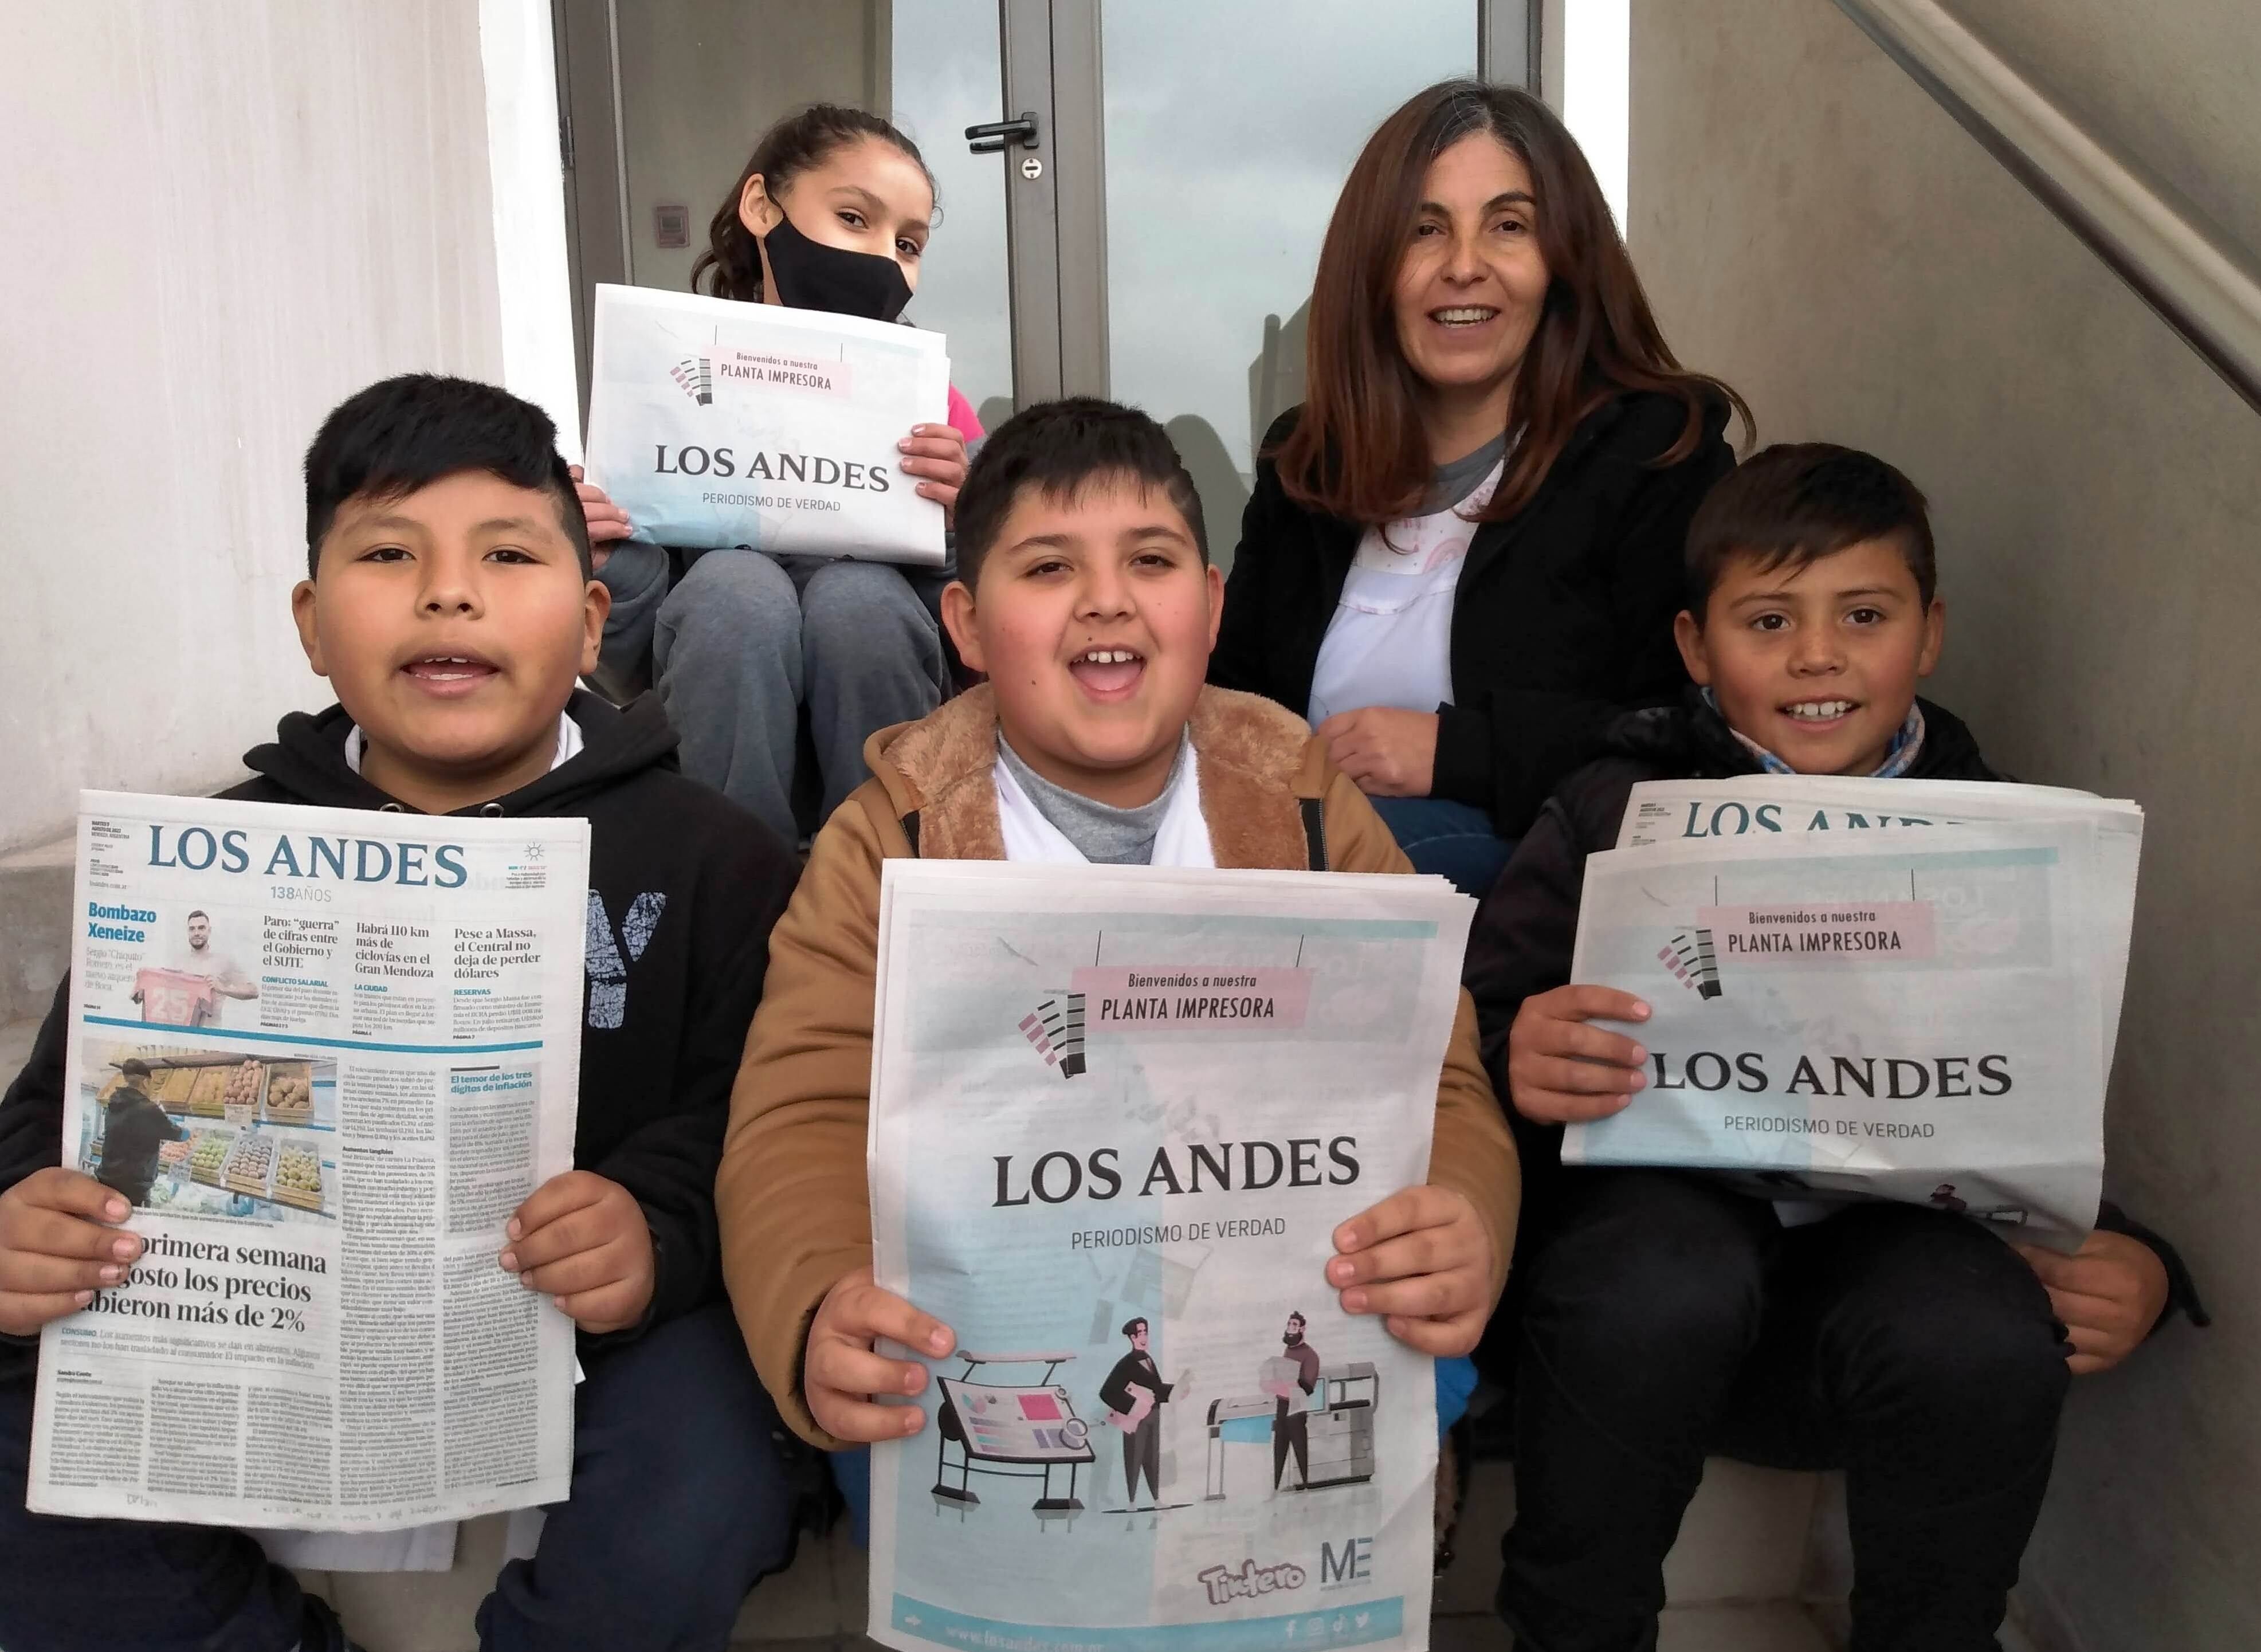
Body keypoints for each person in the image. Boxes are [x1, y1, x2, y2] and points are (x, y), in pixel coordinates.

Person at [0, 375, 804, 1652]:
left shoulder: (718, 857)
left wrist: (652, 1223)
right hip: (253, 1318)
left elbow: (759, 1123)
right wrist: (25, 1216)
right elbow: (56, 1111)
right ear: (313, 624)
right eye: (388, 553)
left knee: (708, 1458)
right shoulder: (203, 857)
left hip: (586, 1334)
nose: (450, 591)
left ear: (592, 618)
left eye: (507, 552)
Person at [1462, 444, 2206, 1652]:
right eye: (1769, 620)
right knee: (1656, 1278)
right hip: (1642, 1276)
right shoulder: (1613, 806)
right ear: (1697, 648)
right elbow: (1472, 1028)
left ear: (1928, 632)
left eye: (1863, 614)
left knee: (1974, 1327)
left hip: (1877, 1271)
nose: (1817, 656)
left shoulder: (2005, 836)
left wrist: (2136, 1251)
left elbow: (2025, 1087)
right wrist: (1516, 1051)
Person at [713, 399, 1519, 1488]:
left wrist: (1464, 1214)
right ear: (963, 623)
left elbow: (1436, 1077)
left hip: (1264, 1301)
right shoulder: (890, 835)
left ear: (1212, 602)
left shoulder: (1305, 800)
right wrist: (817, 1300)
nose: (1106, 599)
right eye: (1047, 568)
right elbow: (800, 1111)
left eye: (1150, 559)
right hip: (994, 1318)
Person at [1210, 80, 1746, 898]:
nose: (1463, 266)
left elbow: (1703, 724)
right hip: (1302, 871)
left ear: (1563, 259)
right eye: (1424, 230)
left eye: (1508, 226)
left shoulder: (1653, 451)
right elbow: (1234, 700)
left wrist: (1454, 752)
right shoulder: (1307, 463)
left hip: (1538, 888)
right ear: (1373, 267)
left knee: (1337, 853)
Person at [575, 104, 983, 843]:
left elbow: (976, 626)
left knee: (858, 598)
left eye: (909, 243)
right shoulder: (669, 377)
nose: (883, 258)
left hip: (888, 711)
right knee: (738, 591)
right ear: (762, 207)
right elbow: (621, 651)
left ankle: (877, 881)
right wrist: (602, 556)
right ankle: (735, 887)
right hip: (705, 719)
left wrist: (967, 522)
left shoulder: (935, 409)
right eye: (853, 218)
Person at [1097, 1317, 1173, 1509]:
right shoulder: (1126, 1363)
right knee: (1134, 1457)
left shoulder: (1149, 1360)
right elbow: (1107, 1392)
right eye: (1140, 1334)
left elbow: (1156, 1388)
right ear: (1132, 1337)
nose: (1144, 1337)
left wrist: (1176, 1391)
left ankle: (1156, 1500)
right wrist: (1132, 1407)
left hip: (1154, 1415)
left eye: (1146, 1332)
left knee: (1153, 1458)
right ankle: (1132, 1501)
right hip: (1135, 1418)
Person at [92, 1061, 183, 1210]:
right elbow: (177, 1134)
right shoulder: (148, 1109)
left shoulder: (114, 1103)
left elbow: (133, 1132)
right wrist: (192, 1133)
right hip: (133, 1188)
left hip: (107, 1179)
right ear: (146, 1083)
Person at [1271, 1312, 1320, 1492]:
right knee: (1279, 1445)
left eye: (1295, 1325)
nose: (1291, 1328)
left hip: (1297, 1404)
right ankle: (1276, 1485)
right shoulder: (1288, 1350)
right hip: (1282, 1403)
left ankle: (1306, 1483)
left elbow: (1308, 1386)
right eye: (1289, 1324)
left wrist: (1292, 1378)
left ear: (1302, 1329)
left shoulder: (1310, 1355)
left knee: (1299, 1445)